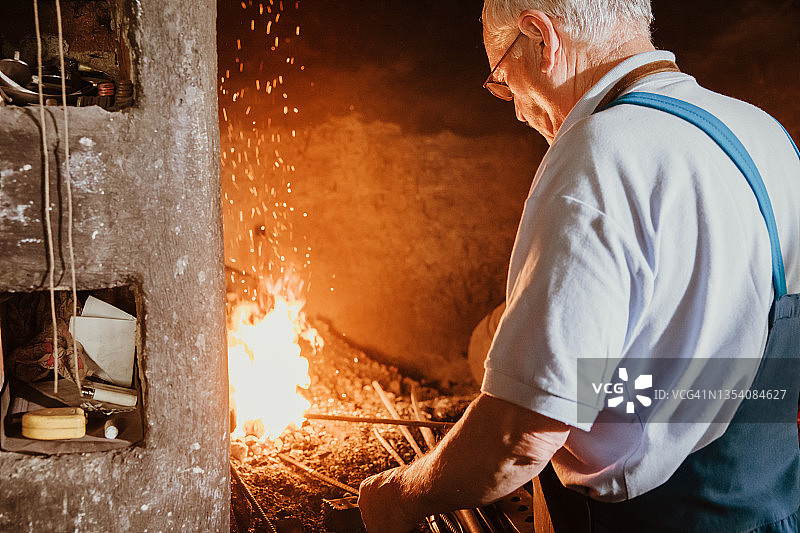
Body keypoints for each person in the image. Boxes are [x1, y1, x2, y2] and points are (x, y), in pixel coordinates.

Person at [358, 1, 800, 531]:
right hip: (776, 508)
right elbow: (692, 364)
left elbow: (519, 438)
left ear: (540, 37)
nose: (518, 110)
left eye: (503, 79)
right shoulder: (767, 133)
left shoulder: (600, 152)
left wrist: (399, 496)